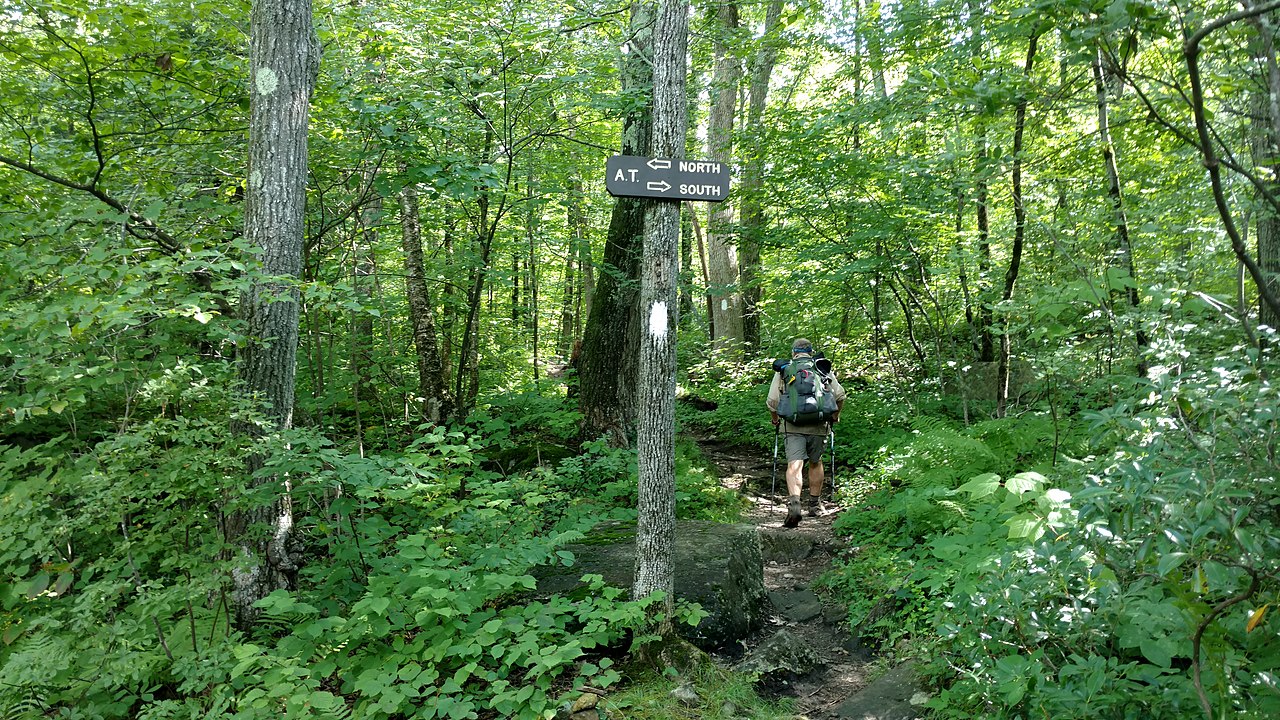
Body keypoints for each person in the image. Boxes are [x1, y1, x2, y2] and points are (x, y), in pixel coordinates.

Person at [766, 338, 846, 527]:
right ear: (811, 352)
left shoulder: (785, 369)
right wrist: (836, 415)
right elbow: (840, 395)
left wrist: (775, 419)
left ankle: (794, 504)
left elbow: (772, 401)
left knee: (795, 464)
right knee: (815, 462)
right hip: (819, 424)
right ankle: (815, 504)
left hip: (792, 426)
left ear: (793, 352)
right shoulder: (821, 367)